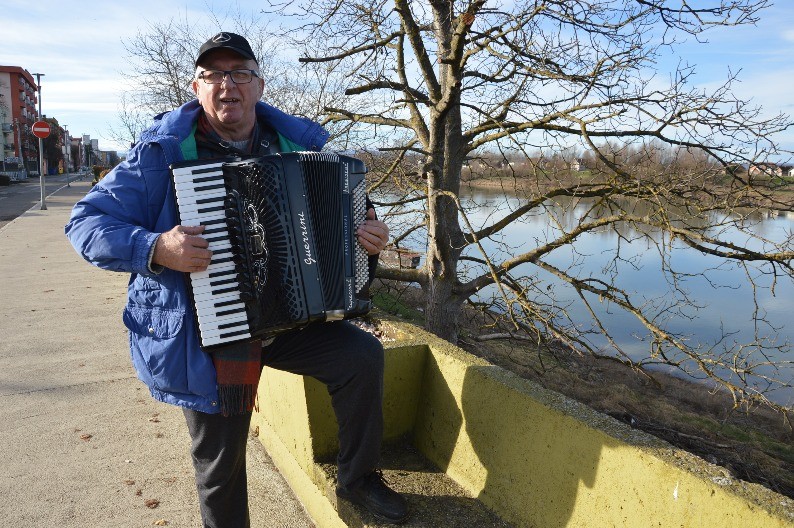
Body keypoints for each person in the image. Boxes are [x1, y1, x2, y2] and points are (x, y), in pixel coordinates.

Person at [65, 32, 408, 527]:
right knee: (222, 467)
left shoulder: (297, 147)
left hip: (288, 321)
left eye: (240, 73)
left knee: (361, 356)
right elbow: (85, 224)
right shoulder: (160, 155)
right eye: (214, 75)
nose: (228, 85)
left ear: (259, 85)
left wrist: (369, 236)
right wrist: (157, 247)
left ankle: (358, 480)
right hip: (204, 333)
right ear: (196, 87)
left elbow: (345, 224)